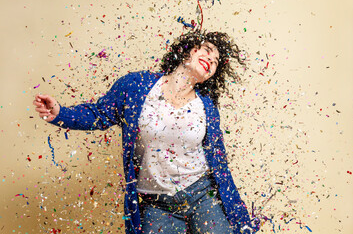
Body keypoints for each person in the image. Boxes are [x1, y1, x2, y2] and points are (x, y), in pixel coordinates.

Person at [33, 30, 260, 234]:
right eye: (207, 50)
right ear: (189, 50)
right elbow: (99, 114)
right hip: (156, 204)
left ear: (211, 75)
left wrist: (238, 214)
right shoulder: (137, 85)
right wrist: (60, 113)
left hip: (203, 196)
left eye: (216, 61)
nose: (211, 59)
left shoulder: (206, 107)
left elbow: (220, 164)